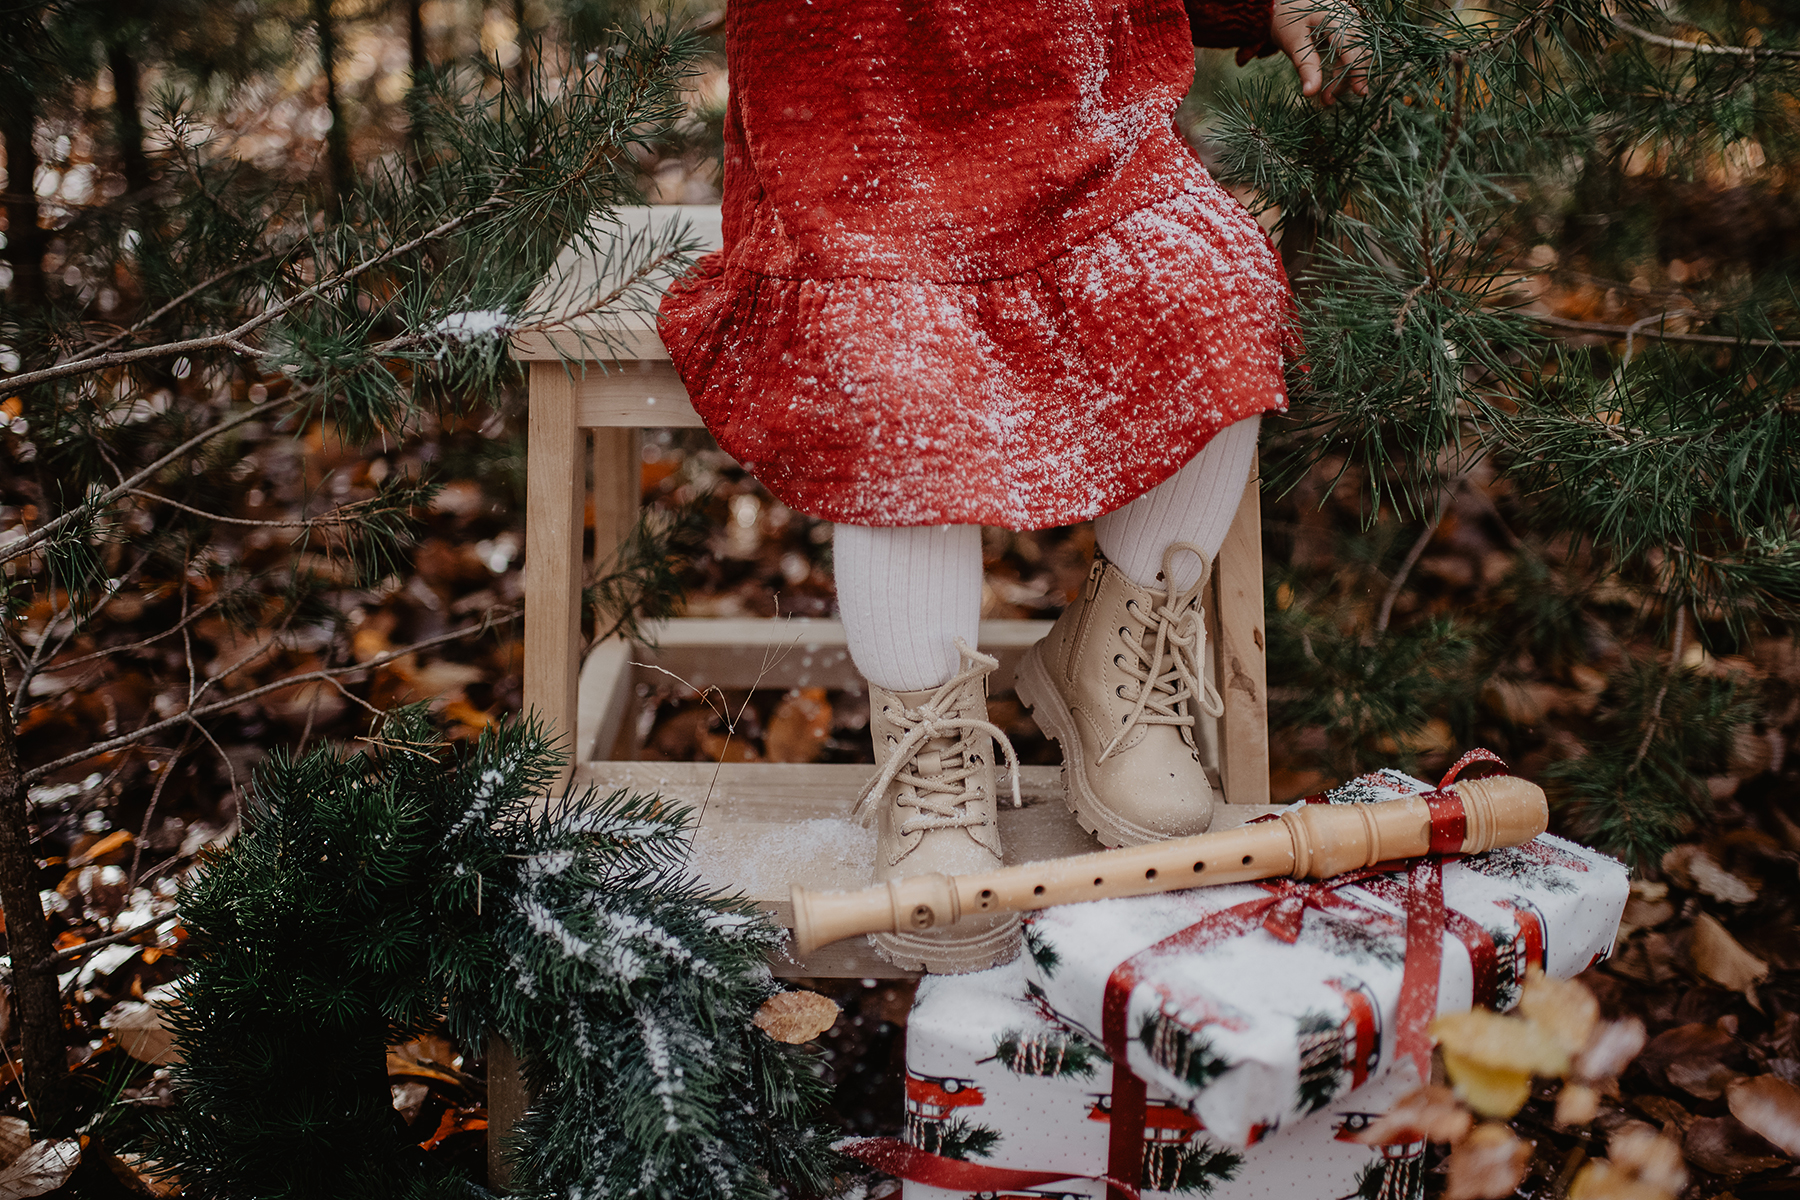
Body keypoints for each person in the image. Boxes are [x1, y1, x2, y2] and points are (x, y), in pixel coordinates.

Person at [660, 0, 1367, 973]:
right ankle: (928, 747)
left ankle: (1113, 655)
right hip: (861, 159)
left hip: (1085, 144)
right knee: (900, 390)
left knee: (1218, 298)